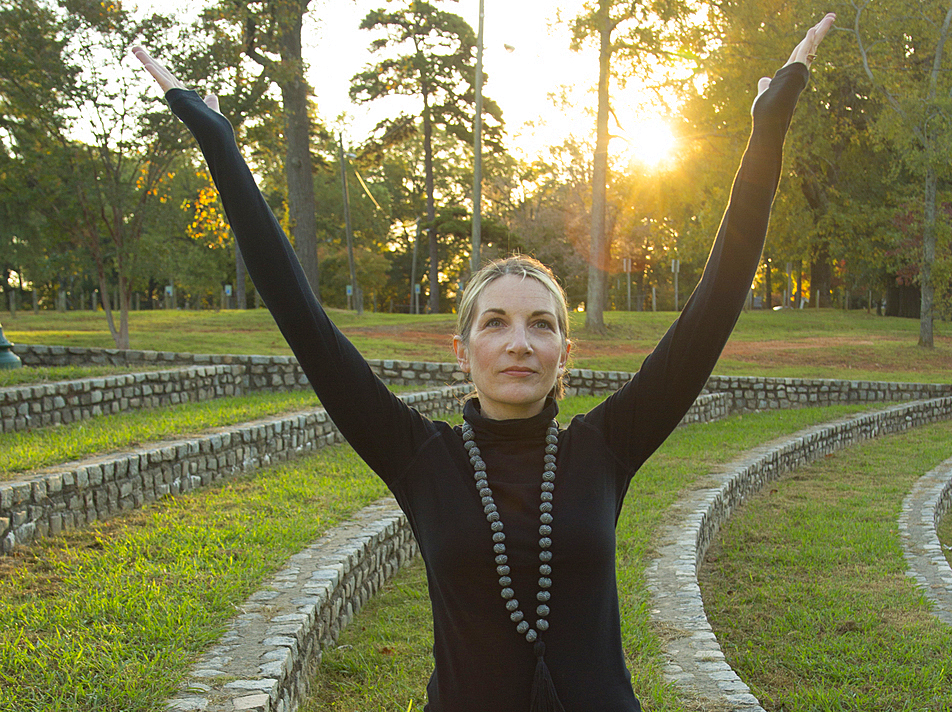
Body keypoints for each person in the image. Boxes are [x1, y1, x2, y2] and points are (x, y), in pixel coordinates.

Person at [133, 12, 835, 712]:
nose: (519, 342)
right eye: (495, 323)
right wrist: (221, 145)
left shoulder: (605, 449)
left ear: (564, 353)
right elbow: (303, 320)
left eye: (541, 325)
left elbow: (713, 306)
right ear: (463, 351)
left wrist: (766, 130)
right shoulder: (419, 457)